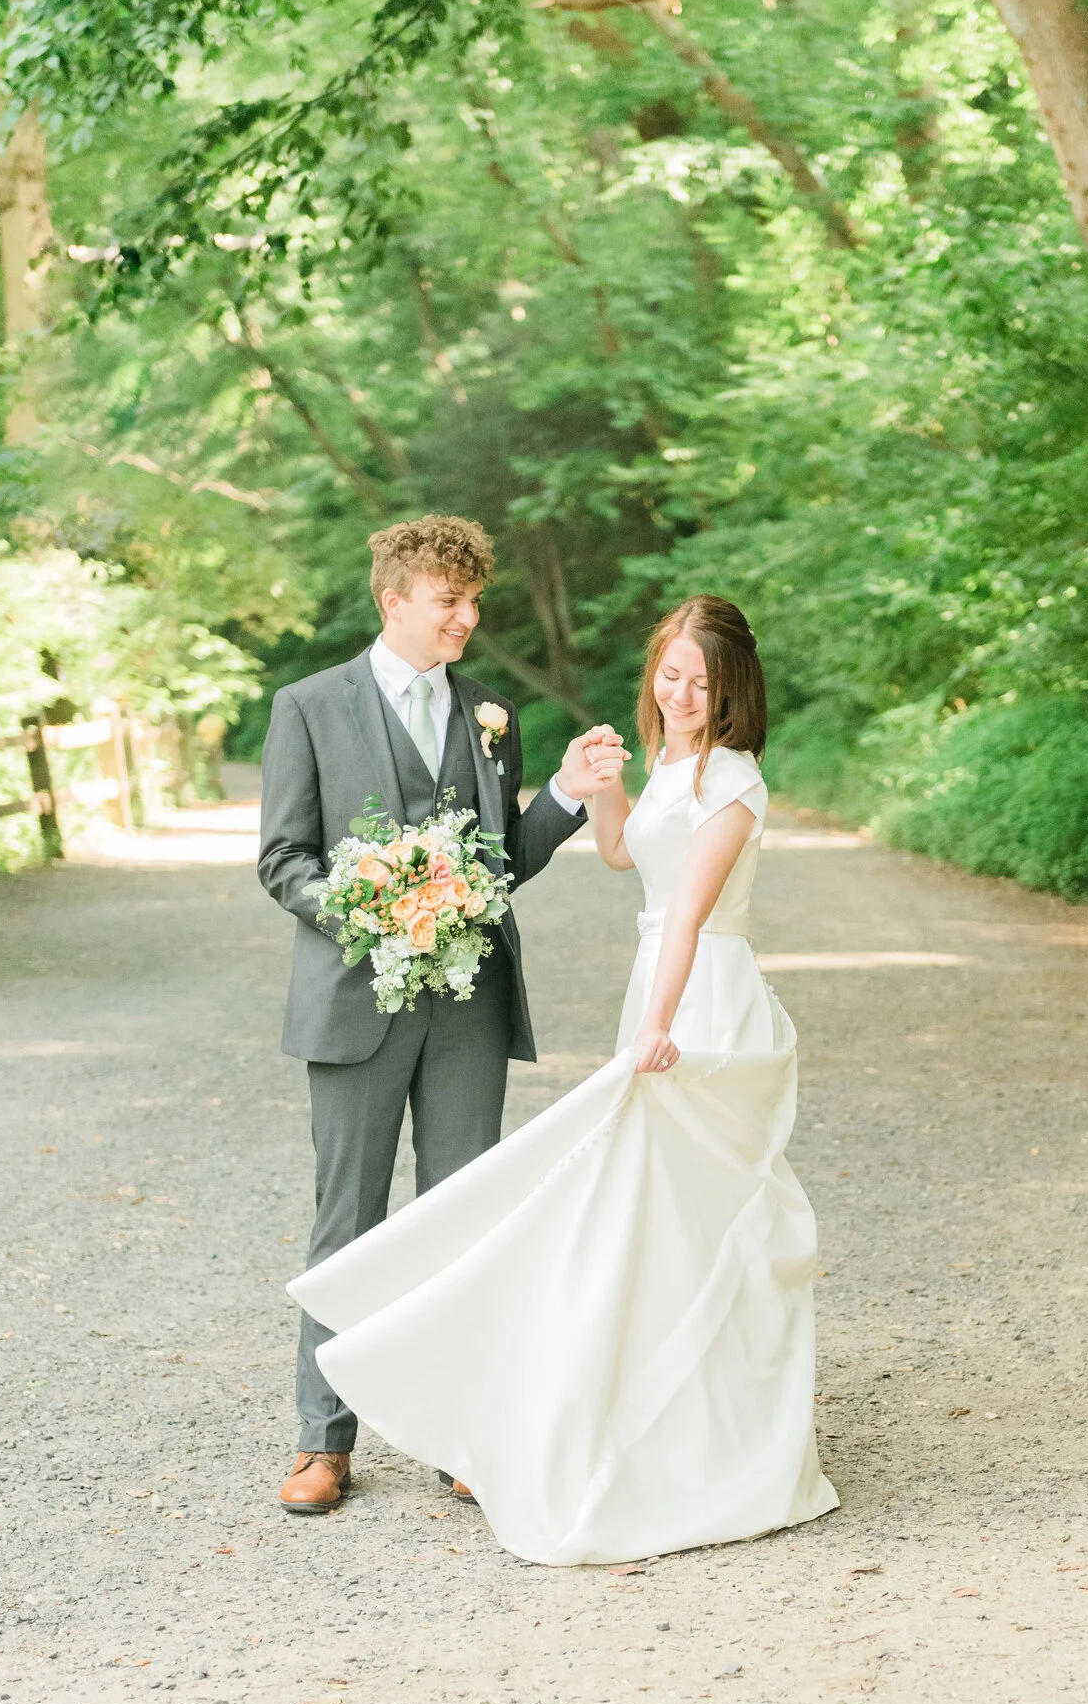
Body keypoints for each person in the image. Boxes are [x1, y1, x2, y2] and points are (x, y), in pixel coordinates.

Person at [290, 594, 838, 1563]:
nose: (680, 692)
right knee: (636, 1220)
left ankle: (719, 1440)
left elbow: (682, 919)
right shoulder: (674, 762)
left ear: (734, 690)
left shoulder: (732, 784)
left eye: (701, 682)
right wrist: (596, 788)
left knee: (692, 1223)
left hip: (699, 1001)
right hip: (638, 994)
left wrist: (659, 1025)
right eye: (669, 674)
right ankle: (335, 1436)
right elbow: (628, 853)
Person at [257, 514, 627, 1513]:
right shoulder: (308, 706)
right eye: (447, 601)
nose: (466, 617)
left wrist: (567, 792)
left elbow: (501, 860)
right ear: (394, 601)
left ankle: (458, 1433)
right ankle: (322, 1441)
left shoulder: (490, 715)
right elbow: (282, 858)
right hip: (355, 1001)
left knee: (466, 1227)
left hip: (467, 1003)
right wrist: (369, 906)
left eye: (473, 603)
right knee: (351, 1221)